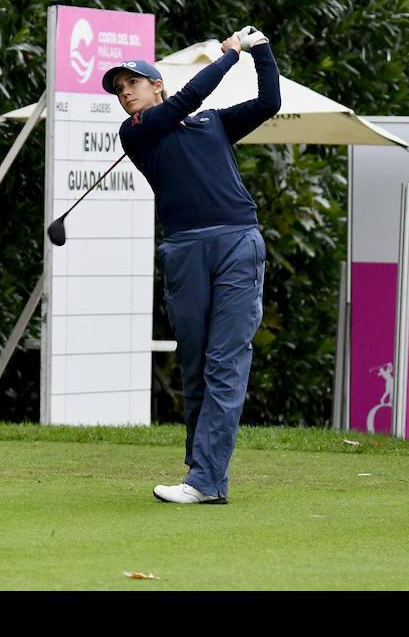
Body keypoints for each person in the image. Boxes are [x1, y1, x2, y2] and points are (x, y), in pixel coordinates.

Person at [106, 26, 281, 504]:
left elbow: (268, 103)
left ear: (155, 84)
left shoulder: (214, 124)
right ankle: (204, 475)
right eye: (120, 91)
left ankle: (203, 479)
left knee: (225, 362)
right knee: (195, 363)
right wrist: (228, 55)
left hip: (237, 243)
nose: (125, 95)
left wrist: (260, 51)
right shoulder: (137, 131)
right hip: (184, 248)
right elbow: (186, 100)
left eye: (132, 85)